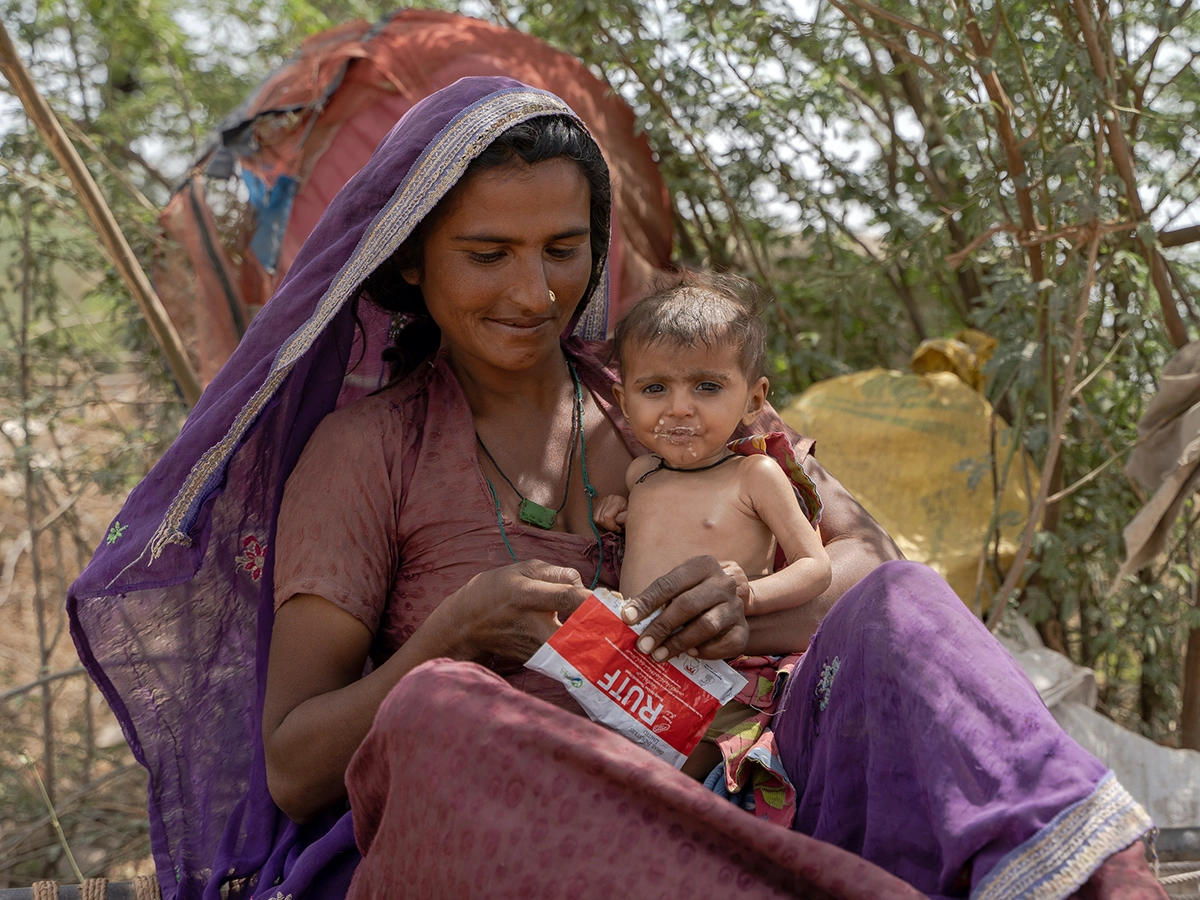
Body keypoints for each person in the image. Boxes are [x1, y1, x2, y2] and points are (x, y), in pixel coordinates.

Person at [68, 77, 1166, 900]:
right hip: (528, 849)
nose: (533, 289)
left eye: (563, 248)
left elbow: (865, 565)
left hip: (743, 791)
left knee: (907, 608)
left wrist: (755, 601)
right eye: (486, 252)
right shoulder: (369, 454)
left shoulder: (670, 394)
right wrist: (446, 638)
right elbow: (298, 767)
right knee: (441, 714)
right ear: (411, 263)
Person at [593, 272, 831, 780]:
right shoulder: (642, 475)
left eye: (707, 386)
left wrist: (749, 596)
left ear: (753, 398)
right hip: (638, 673)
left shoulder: (756, 475)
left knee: (678, 777)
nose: (680, 407)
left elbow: (815, 567)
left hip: (725, 673)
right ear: (624, 401)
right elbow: (664, 536)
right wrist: (621, 514)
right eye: (654, 388)